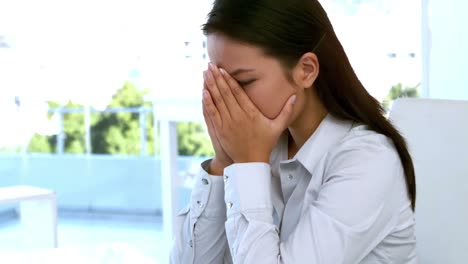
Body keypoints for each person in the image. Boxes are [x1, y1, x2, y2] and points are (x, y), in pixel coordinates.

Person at [170, 0, 417, 263]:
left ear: (306, 71)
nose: (227, 98)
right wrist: (223, 161)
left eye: (243, 82)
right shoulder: (263, 146)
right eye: (219, 81)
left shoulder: (369, 161)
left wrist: (248, 163)